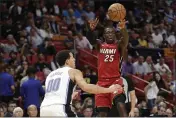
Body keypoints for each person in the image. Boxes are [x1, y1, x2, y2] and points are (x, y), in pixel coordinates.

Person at [40, 50, 123, 117]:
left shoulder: (50, 75)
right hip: (60, 109)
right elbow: (86, 87)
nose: (74, 59)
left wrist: (71, 96)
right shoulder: (73, 71)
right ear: (67, 61)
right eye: (72, 57)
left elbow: (53, 93)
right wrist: (109, 89)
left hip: (44, 109)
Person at [89, 17, 129, 116]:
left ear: (115, 34)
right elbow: (91, 40)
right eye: (107, 32)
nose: (110, 34)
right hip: (101, 83)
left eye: (112, 32)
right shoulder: (99, 45)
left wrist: (123, 29)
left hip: (115, 81)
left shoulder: (118, 45)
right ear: (104, 35)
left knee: (121, 106)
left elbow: (126, 40)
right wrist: (90, 30)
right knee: (102, 113)